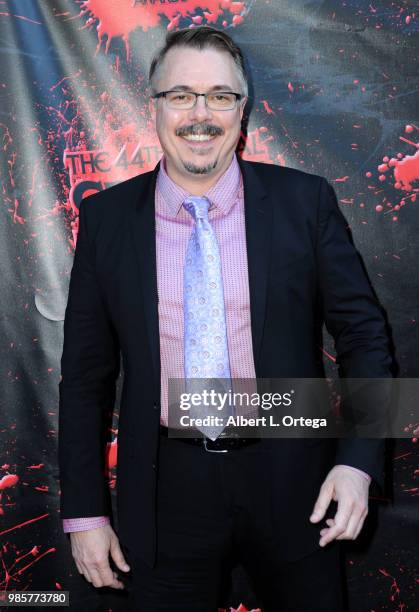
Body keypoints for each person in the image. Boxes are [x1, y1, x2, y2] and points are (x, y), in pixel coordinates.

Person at [58, 26, 392, 611]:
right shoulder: (106, 219)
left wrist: (358, 463)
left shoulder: (305, 202)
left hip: (296, 481)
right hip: (164, 493)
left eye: (220, 96)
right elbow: (85, 378)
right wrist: (84, 511)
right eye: (181, 95)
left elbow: (365, 336)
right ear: (154, 106)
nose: (200, 114)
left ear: (244, 109)